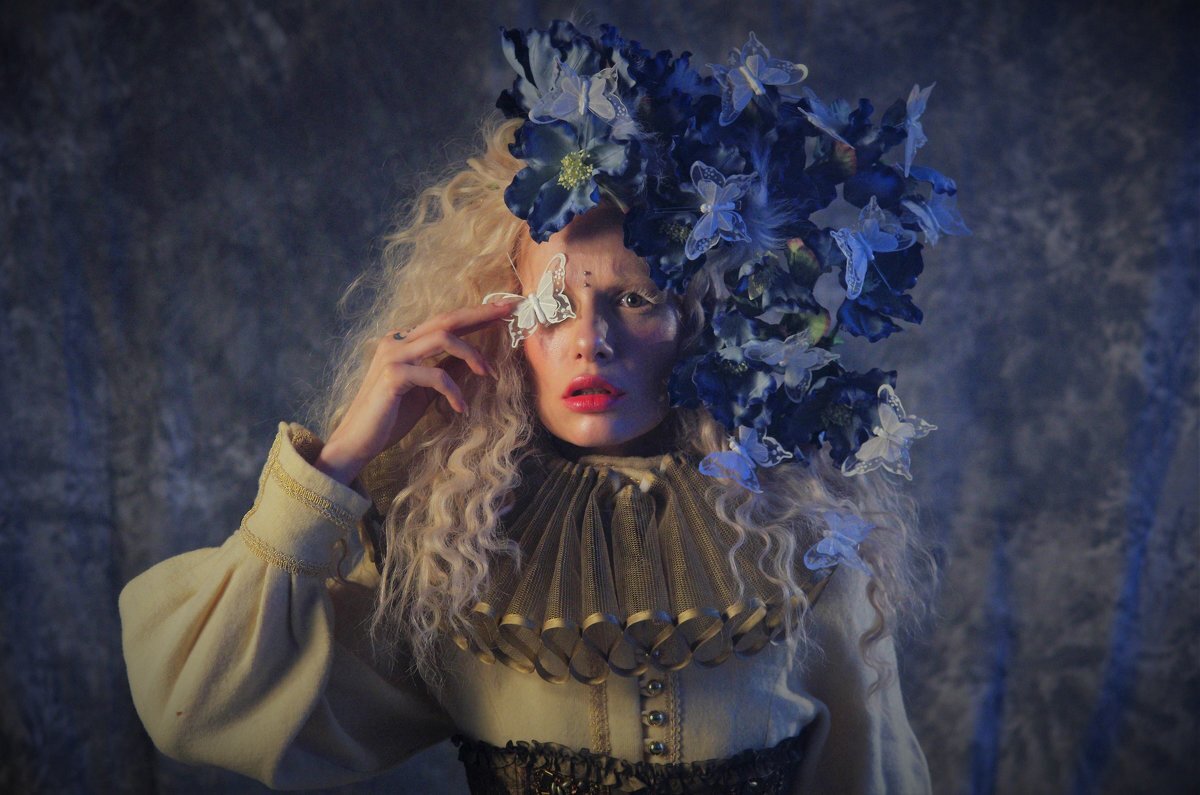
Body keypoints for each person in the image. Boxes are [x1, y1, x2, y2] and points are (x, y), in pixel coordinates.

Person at [121, 20, 965, 794]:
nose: (590, 341)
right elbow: (195, 704)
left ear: (701, 323)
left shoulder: (800, 538)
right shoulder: (448, 546)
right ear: (499, 319)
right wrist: (339, 461)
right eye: (553, 305)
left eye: (635, 299)